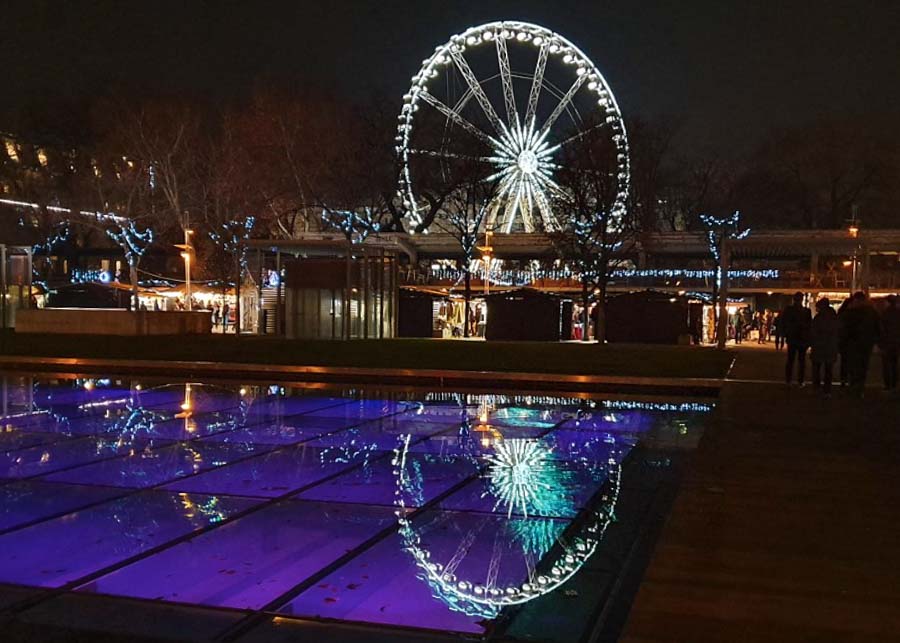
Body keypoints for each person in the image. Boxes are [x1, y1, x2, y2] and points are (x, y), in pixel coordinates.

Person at [840, 291, 880, 397]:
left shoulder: (849, 311)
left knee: (852, 365)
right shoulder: (871, 311)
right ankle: (860, 387)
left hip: (852, 342)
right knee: (863, 365)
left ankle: (853, 385)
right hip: (866, 342)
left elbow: (843, 328)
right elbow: (878, 326)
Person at [780, 292, 812, 385]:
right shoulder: (806, 311)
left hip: (792, 337)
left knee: (791, 360)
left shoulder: (789, 310)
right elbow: (809, 325)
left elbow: (784, 323)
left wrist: (784, 334)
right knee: (801, 361)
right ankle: (800, 380)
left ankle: (788, 380)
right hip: (801, 338)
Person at [810, 298, 839, 397]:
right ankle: (827, 390)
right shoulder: (834, 317)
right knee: (828, 370)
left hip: (819, 346)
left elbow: (813, 332)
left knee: (817, 369)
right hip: (830, 346)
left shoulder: (818, 318)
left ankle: (817, 388)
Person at [879, 294, 900, 392]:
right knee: (894, 364)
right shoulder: (897, 313)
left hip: (887, 343)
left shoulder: (885, 314)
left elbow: (882, 330)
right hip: (896, 342)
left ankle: (888, 385)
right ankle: (894, 384)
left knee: (887, 365)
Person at [837, 297, 852, 386]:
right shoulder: (852, 314)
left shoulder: (841, 314)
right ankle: (848, 378)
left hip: (844, 341)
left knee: (844, 361)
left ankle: (844, 378)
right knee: (850, 361)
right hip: (849, 341)